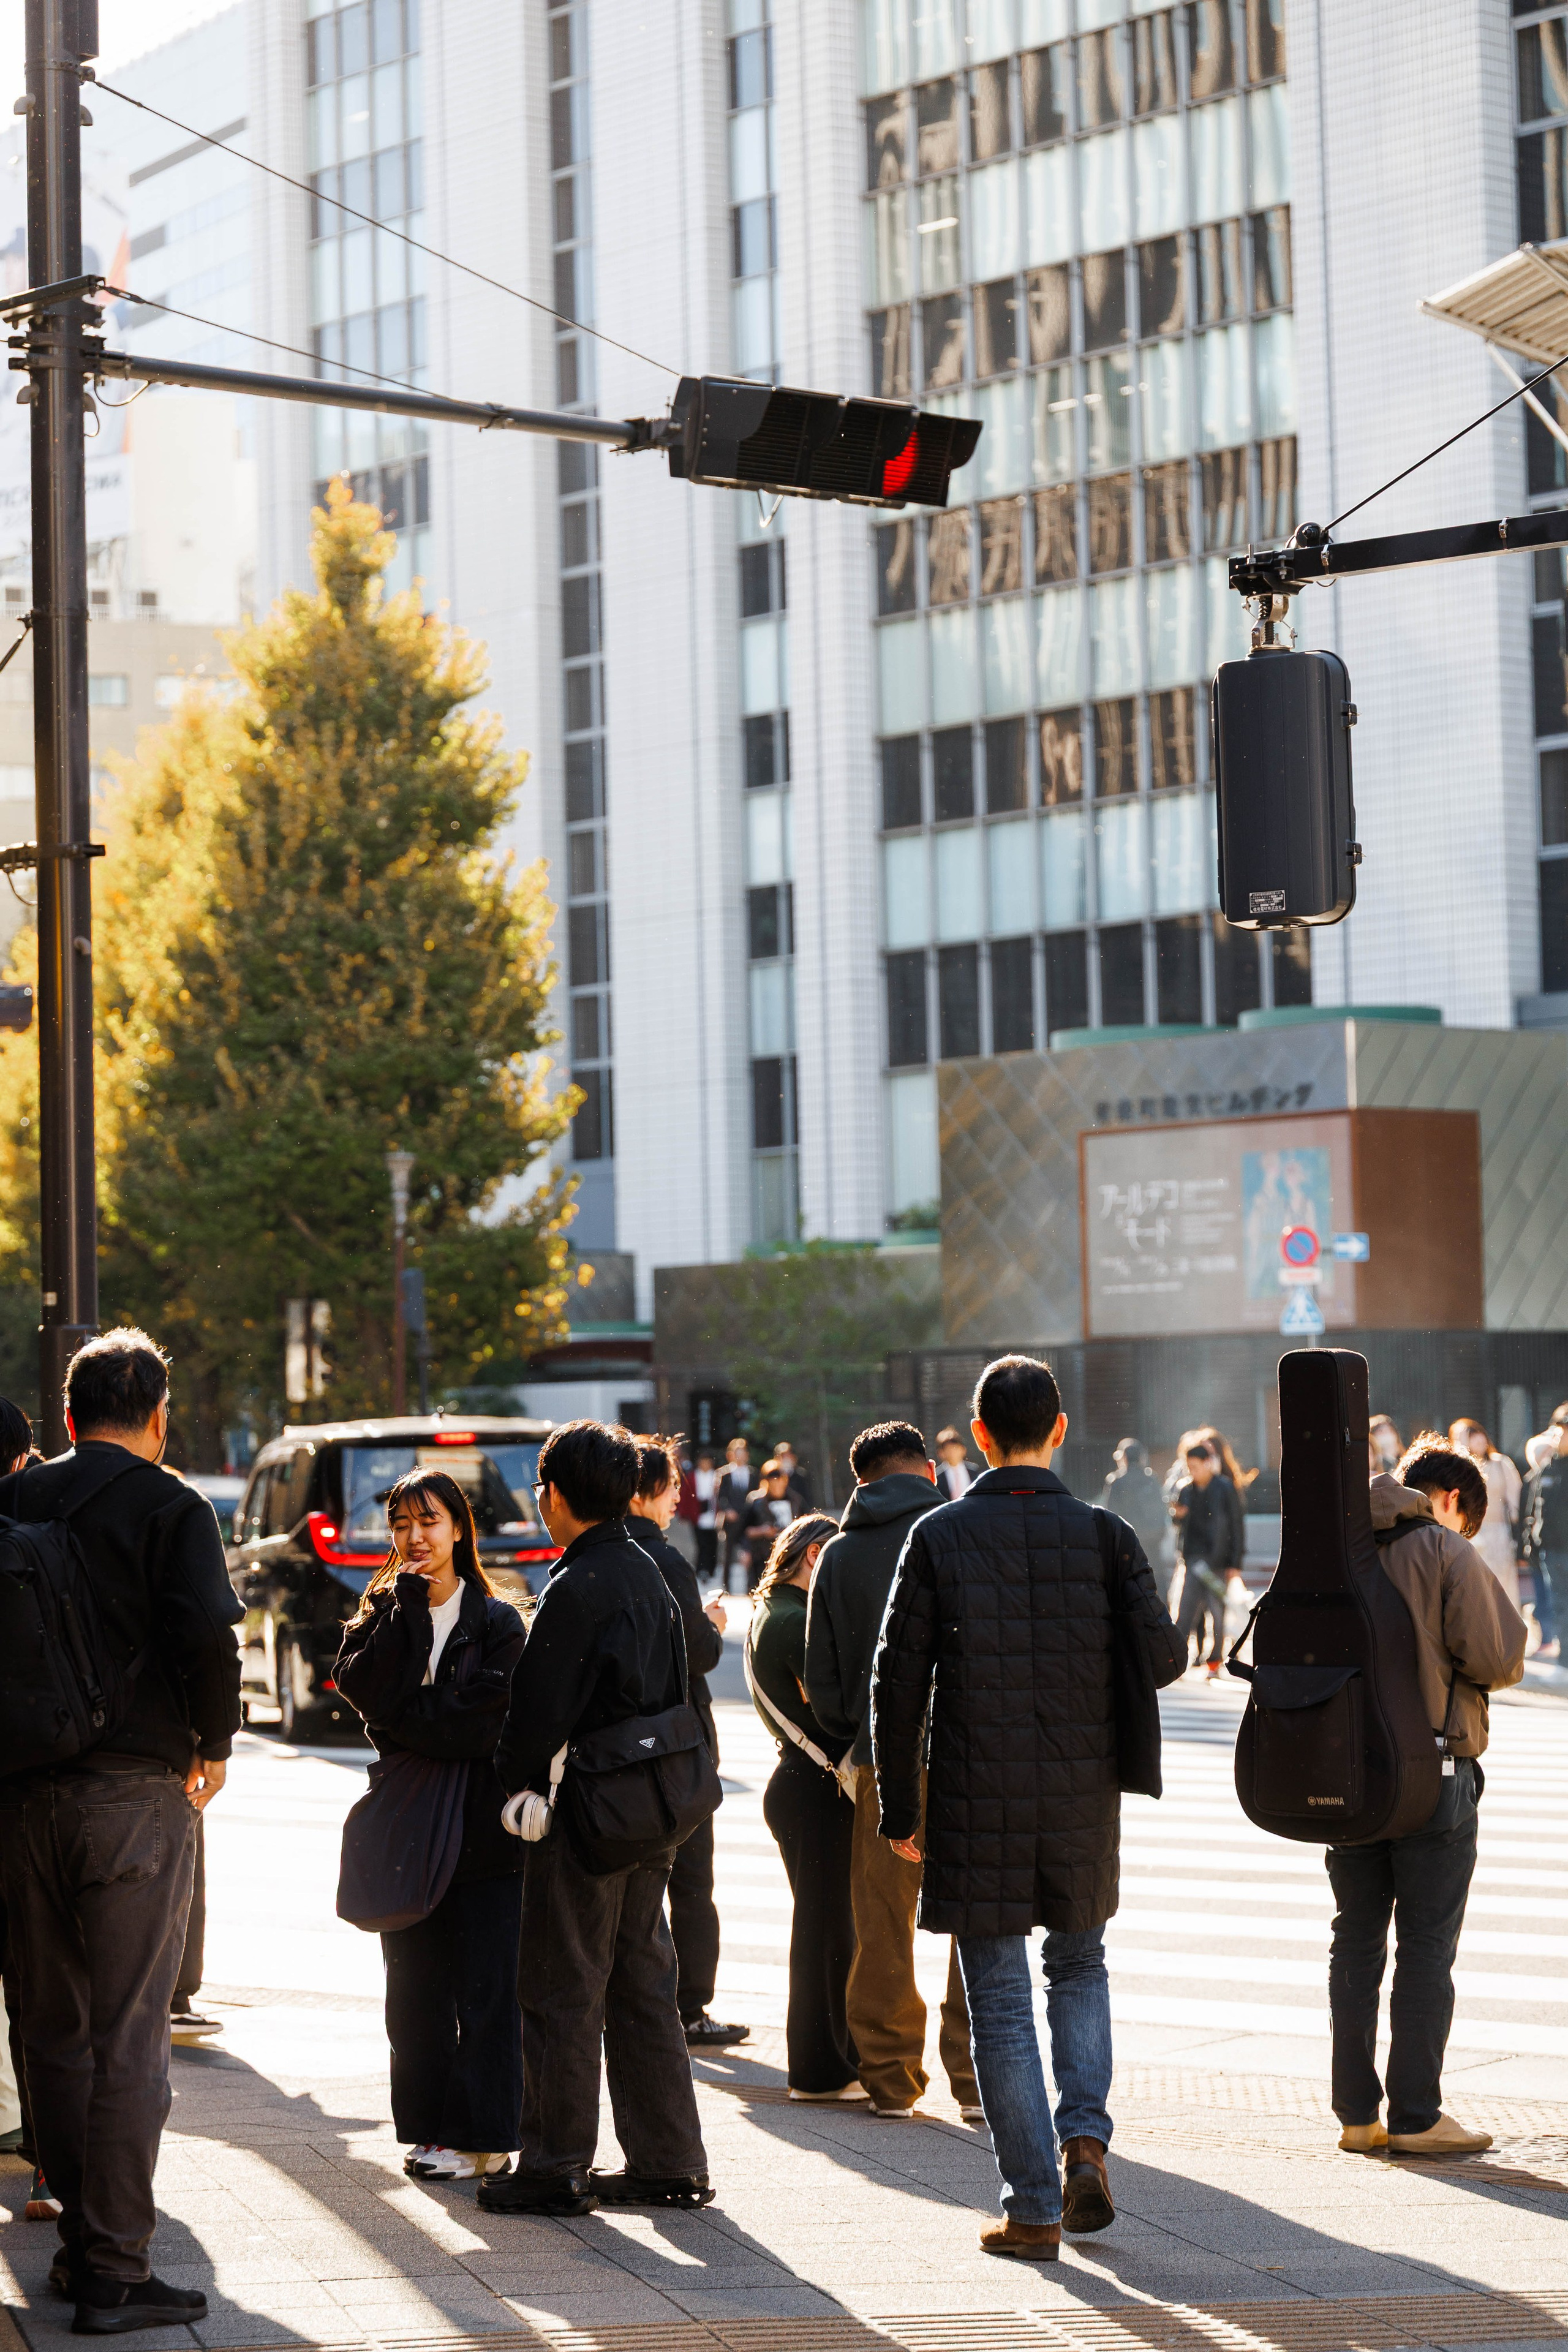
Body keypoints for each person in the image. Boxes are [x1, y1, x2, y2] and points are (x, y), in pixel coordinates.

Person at [870, 1354, 1180, 2260]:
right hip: (1081, 1795)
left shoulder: (939, 1535)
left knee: (999, 1998)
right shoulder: (1108, 1534)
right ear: (1060, 1429)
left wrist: (900, 1808)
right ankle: (1085, 2138)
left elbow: (896, 1681)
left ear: (976, 1436)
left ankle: (1035, 2208)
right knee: (1080, 1965)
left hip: (974, 1796)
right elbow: (1162, 1659)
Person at [0, 1329, 241, 2334]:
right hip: (136, 1795)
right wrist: (214, 1747)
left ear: (64, 1416)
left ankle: (76, 2242)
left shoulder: (15, 1498)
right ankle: (116, 2266)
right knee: (131, 2034)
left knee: (48, 2029)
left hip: (17, 1798)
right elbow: (208, 1640)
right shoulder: (172, 1505)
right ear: (158, 1414)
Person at [480, 1420, 711, 2218]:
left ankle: (554, 2162)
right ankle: (668, 2159)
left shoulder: (577, 1587)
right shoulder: (650, 1572)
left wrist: (517, 1792)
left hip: (588, 1812)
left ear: (555, 1494)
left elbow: (537, 1715)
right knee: (645, 1980)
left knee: (561, 1980)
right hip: (657, 1808)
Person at [1330, 1437, 1527, 2157]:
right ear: (1448, 1501)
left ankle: (1356, 2114)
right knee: (1424, 1948)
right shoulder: (1444, 1554)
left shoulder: (1332, 1544)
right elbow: (1501, 1655)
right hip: (1432, 1777)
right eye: (1464, 1520)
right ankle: (1415, 2115)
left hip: (1346, 1778)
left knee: (1353, 1937)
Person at [334, 1468, 527, 2184]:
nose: (416, 1538)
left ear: (458, 1529)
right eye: (402, 1525)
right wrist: (409, 1614)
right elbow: (363, 1693)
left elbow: (481, 1727)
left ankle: (483, 2135)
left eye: (430, 1522)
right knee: (413, 1991)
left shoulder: (499, 1620)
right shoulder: (385, 1612)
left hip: (485, 1831)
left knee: (485, 1990)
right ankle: (428, 2127)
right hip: (410, 1827)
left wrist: (404, 1720)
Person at [804, 1420, 979, 2121]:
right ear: (929, 1472)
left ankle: (889, 2079)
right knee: (977, 1918)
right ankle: (977, 2079)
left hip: (884, 1761)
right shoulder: (963, 1532)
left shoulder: (841, 1555)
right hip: (972, 1761)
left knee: (883, 1923)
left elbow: (820, 1677)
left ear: (860, 1482)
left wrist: (863, 1734)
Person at [626, 1434, 748, 2051]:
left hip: (623, 1756)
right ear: (646, 1491)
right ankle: (690, 2006)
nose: (681, 1496)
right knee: (691, 1881)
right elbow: (696, 1654)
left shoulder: (598, 1557)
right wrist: (712, 1623)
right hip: (678, 1748)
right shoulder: (662, 1559)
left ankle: (644, 2002)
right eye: (672, 1486)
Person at [748, 1514, 862, 2101]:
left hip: (799, 1782)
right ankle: (822, 2070)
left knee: (827, 1928)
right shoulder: (797, 1620)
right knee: (825, 1933)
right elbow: (837, 1708)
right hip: (814, 1787)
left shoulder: (773, 1609)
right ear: (815, 1556)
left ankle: (833, 2064)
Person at [1170, 1442, 1245, 1674]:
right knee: (1185, 1611)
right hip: (1193, 1559)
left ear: (1207, 1463)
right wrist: (1178, 1515)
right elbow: (1178, 1522)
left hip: (1218, 1561)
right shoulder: (1186, 1490)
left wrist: (1235, 1563)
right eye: (1188, 1466)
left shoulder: (1224, 1488)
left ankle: (1216, 1661)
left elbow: (1236, 1526)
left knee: (1218, 1612)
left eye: (1195, 1466)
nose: (1192, 1471)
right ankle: (1175, 1660)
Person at [1449, 1420, 1522, 1607]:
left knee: (1503, 1584)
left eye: (1479, 1433)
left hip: (1499, 1533)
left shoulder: (1501, 1463)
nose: (1479, 1439)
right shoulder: (1459, 1470)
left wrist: (1517, 1523)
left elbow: (1516, 1499)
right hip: (1469, 1535)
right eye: (1471, 1436)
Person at [1521, 1417, 1568, 1662]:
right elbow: (1533, 1511)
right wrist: (1531, 1542)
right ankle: (1566, 1656)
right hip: (1553, 1550)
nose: (1559, 1438)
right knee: (1559, 1603)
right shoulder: (1548, 1468)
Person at [1099, 1440, 1170, 1594]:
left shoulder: (1117, 1482)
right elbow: (1161, 1509)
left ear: (1123, 1458)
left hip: (1128, 1541)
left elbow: (1111, 1514)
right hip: (1153, 1539)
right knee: (1156, 1577)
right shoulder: (1151, 1479)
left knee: (1128, 1581)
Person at [738, 1458, 798, 1591]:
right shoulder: (756, 1502)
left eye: (779, 1480)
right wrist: (762, 1532)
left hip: (789, 1555)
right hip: (761, 1556)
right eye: (773, 1482)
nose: (776, 1485)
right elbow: (744, 1530)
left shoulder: (795, 1500)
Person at [715, 1438, 753, 1593]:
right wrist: (728, 1510)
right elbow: (720, 1497)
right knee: (728, 1555)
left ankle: (751, 1586)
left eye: (742, 1453)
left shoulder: (753, 1474)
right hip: (730, 1520)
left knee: (749, 1552)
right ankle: (727, 1587)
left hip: (747, 1520)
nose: (740, 1456)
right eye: (737, 1453)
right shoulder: (725, 1474)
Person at [691, 1452, 722, 1588]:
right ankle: (701, 1569)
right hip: (699, 1514)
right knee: (701, 1543)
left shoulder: (716, 1476)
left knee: (712, 1544)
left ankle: (710, 1569)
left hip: (712, 1514)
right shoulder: (694, 1476)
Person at [934, 1427, 978, 1501]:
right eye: (949, 1449)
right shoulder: (938, 1476)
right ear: (941, 1453)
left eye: (955, 1448)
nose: (953, 1452)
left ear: (963, 1450)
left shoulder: (974, 1471)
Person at [772, 1441, 813, 1510]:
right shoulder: (772, 1476)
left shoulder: (801, 1476)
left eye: (788, 1455)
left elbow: (807, 1499)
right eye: (782, 1456)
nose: (785, 1459)